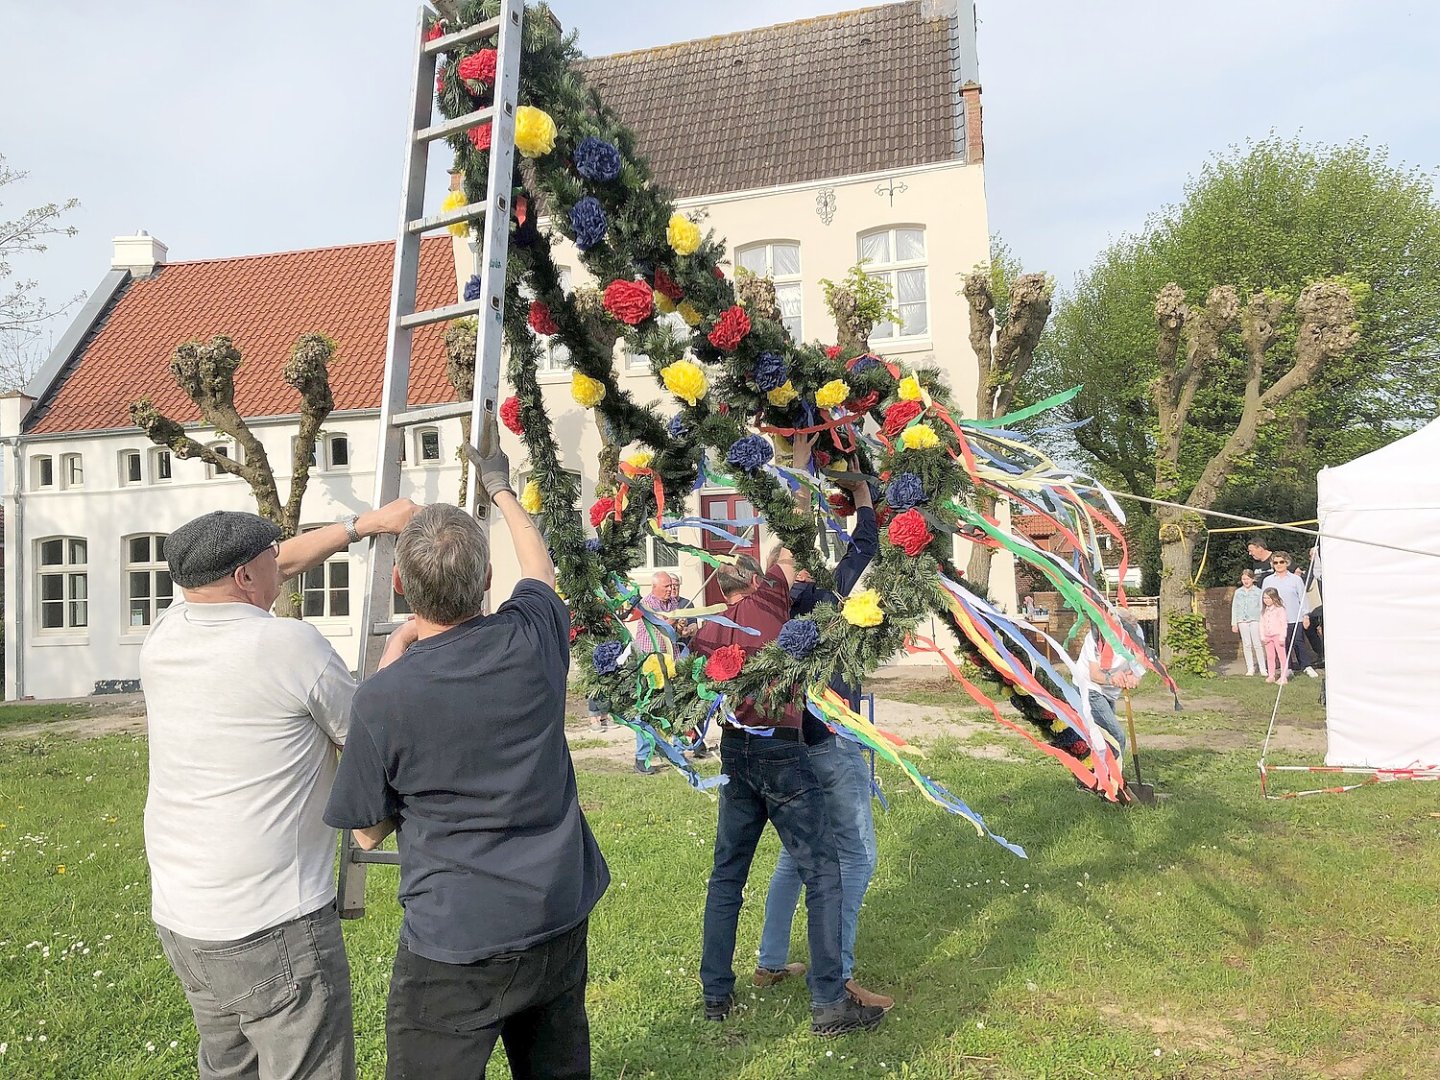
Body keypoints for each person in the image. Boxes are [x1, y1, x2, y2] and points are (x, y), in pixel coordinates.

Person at [324, 446, 608, 1080]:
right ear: (485, 582)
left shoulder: (382, 698)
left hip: (457, 944)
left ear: (399, 585)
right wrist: (501, 490)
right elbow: (539, 565)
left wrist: (394, 657)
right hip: (556, 914)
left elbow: (367, 830)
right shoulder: (534, 637)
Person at [143, 498, 419, 1080]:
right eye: (267, 555)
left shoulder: (167, 632)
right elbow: (369, 734)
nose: (281, 560)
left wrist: (362, 526)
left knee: (228, 1067)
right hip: (272, 926)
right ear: (244, 576)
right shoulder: (290, 646)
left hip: (186, 918)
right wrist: (397, 653)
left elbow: (280, 565)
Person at [690, 434, 885, 1038]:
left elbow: (687, 671)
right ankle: (829, 1003)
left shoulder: (711, 627)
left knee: (728, 877)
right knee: (823, 872)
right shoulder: (788, 600)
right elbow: (830, 539)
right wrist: (853, 488)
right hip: (785, 752)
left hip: (737, 752)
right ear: (769, 574)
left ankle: (716, 996)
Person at [754, 470, 892, 1011]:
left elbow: (790, 543)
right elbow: (865, 547)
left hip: (790, 742)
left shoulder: (766, 609)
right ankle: (841, 975)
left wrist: (801, 468)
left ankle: (769, 962)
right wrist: (860, 495)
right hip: (832, 742)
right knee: (855, 856)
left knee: (796, 855)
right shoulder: (823, 600)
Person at [1077, 612, 1146, 758]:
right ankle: (1113, 777)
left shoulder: (1135, 631)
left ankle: (1100, 773)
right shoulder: (1095, 639)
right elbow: (1094, 675)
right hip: (1089, 686)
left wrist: (1136, 675)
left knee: (1104, 735)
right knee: (1116, 737)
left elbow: (1140, 656)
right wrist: (1111, 679)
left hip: (1110, 691)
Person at [1264, 550, 1319, 678]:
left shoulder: (1296, 579)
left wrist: (1305, 615)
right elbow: (1264, 599)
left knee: (1298, 642)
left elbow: (1303, 597)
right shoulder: (1268, 580)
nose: (1279, 564)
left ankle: (1306, 666)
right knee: (1283, 644)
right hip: (1276, 619)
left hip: (1295, 616)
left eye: (1281, 562)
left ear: (1287, 563)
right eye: (1276, 562)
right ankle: (1287, 667)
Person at [1230, 569, 1266, 677]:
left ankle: (1263, 668)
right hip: (1242, 620)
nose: (1246, 581)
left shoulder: (1258, 592)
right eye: (1243, 579)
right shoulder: (1238, 592)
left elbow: (1261, 607)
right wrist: (1234, 623)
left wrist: (1262, 621)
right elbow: (1234, 607)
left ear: (1252, 579)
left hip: (1255, 619)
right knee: (1246, 644)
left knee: (1257, 644)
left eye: (1248, 579)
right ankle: (1250, 668)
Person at [1261, 587, 1290, 684]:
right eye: (1264, 598)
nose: (1266, 600)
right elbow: (1261, 624)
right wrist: (1263, 636)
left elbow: (1283, 624)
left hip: (1277, 635)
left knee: (1282, 657)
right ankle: (1271, 675)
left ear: (1274, 598)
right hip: (1268, 636)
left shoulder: (1280, 609)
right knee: (1270, 656)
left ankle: (1284, 676)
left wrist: (1282, 637)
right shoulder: (1264, 611)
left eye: (1269, 598)